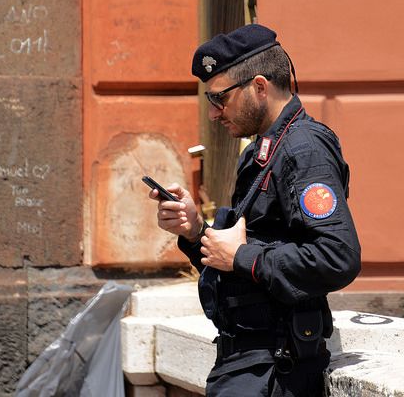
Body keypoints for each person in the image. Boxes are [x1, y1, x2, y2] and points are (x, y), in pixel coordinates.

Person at [148, 24, 361, 396]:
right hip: (247, 364)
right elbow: (241, 262)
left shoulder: (304, 151)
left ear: (259, 87)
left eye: (219, 99)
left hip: (276, 369)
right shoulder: (260, 153)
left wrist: (244, 257)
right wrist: (195, 231)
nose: (214, 114)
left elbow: (337, 256)